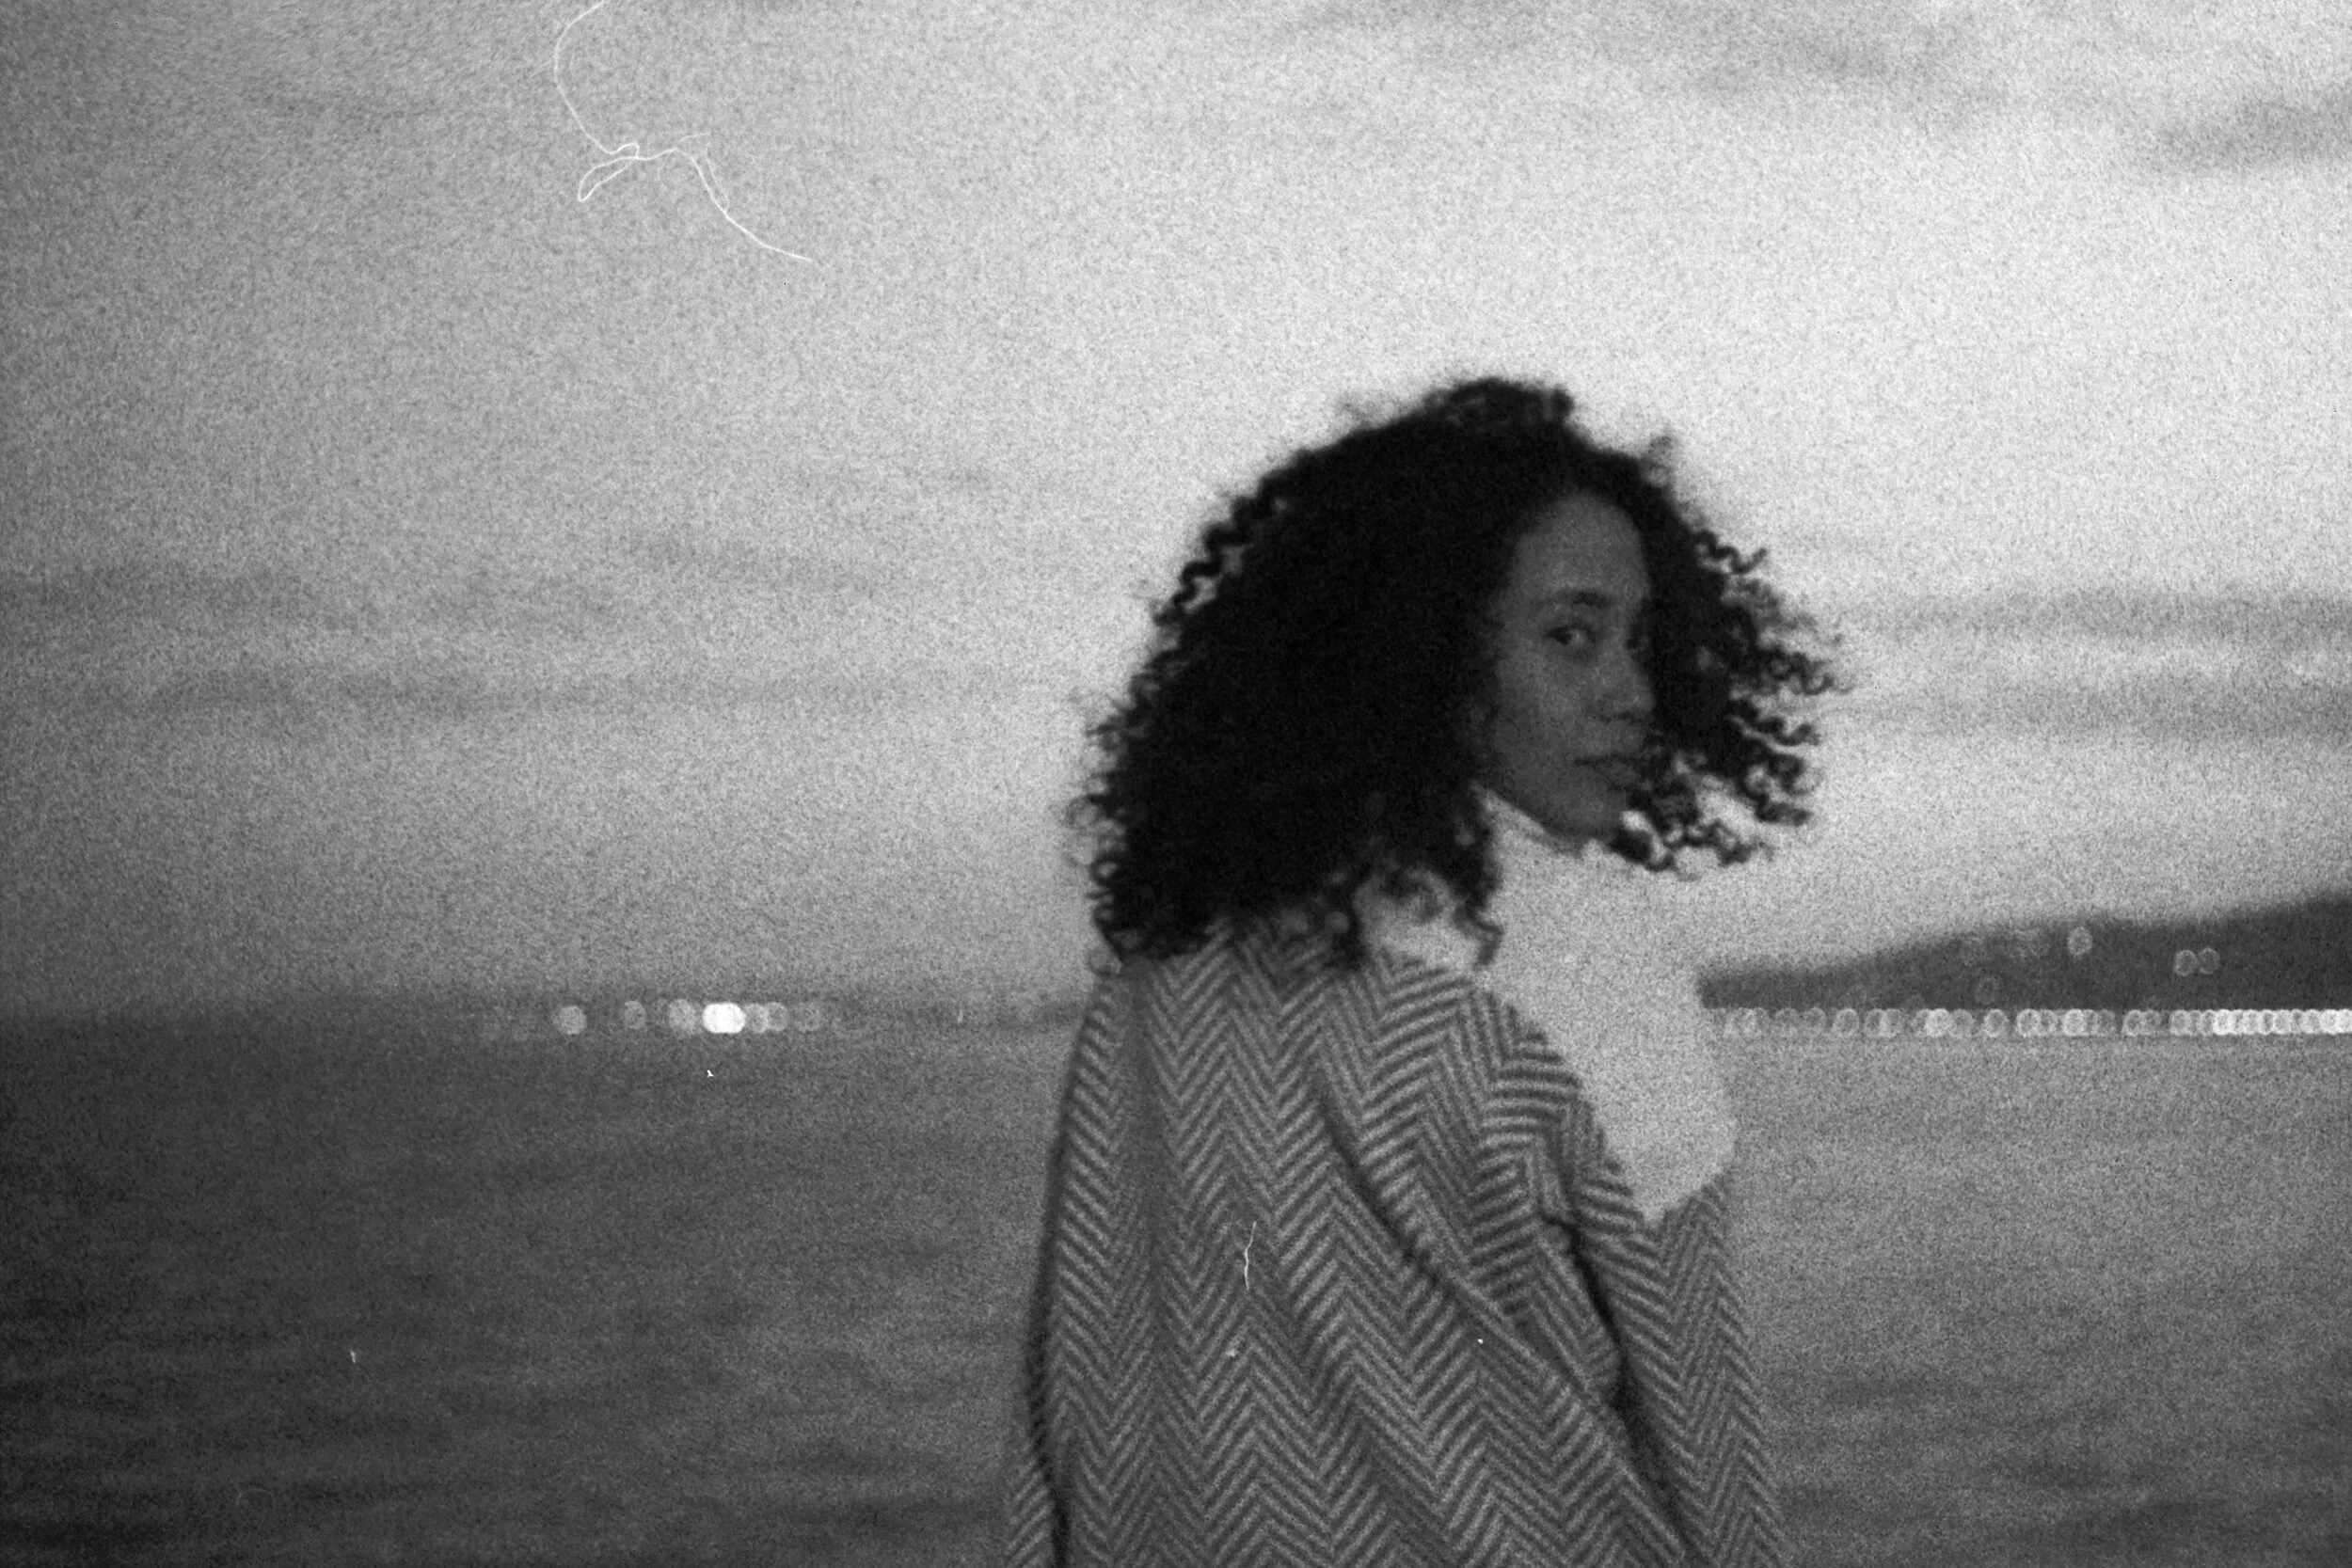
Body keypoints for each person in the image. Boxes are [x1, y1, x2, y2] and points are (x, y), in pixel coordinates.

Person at [1002, 375, 1837, 1567]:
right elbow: (1703, 1436)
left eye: (1640, 642)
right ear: (1422, 648)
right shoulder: (1579, 950)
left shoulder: (1168, 959)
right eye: (1571, 635)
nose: (1631, 692)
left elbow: (1069, 1387)